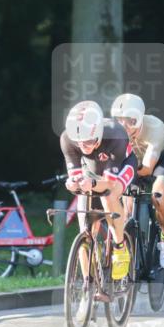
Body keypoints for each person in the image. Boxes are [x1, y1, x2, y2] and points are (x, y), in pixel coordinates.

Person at [60, 101, 137, 280]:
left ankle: (120, 246)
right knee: (84, 226)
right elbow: (77, 177)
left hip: (122, 165)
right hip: (92, 170)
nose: (83, 147)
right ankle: (88, 284)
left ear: (99, 132)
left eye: (88, 141)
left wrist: (92, 185)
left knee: (108, 197)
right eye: (79, 143)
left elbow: (109, 183)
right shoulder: (67, 138)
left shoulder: (115, 134)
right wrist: (73, 184)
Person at [110, 93, 164, 268]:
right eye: (119, 120)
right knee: (126, 212)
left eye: (130, 120)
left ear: (140, 118)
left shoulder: (155, 127)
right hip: (133, 163)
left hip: (160, 161)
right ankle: (129, 253)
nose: (124, 126)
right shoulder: (111, 131)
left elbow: (147, 168)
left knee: (158, 197)